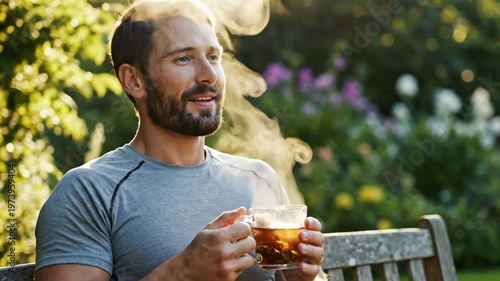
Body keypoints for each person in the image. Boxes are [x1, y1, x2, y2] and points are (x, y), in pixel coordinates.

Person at [34, 0, 325, 280]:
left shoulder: (259, 178)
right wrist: (183, 273)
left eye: (214, 57)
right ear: (134, 80)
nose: (210, 75)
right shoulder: (89, 192)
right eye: (183, 58)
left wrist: (304, 279)